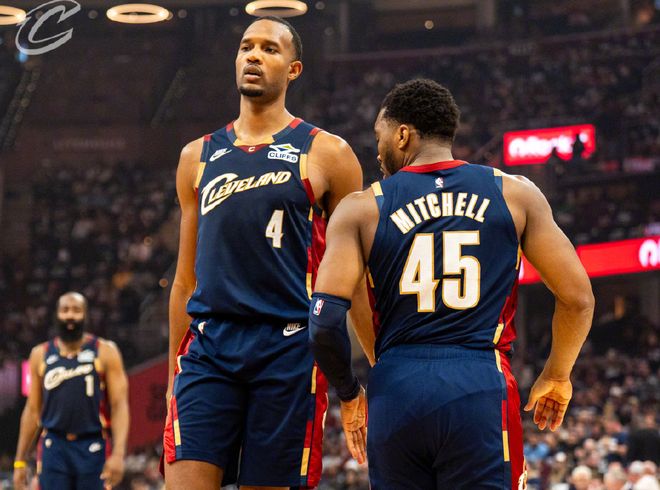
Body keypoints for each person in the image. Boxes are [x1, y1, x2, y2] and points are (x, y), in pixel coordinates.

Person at [308, 79, 595, 489]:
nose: (377, 150)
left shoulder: (360, 208)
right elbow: (578, 299)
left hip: (396, 388)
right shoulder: (515, 194)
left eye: (379, 136)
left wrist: (353, 390)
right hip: (479, 382)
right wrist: (556, 374)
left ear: (402, 135)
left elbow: (323, 324)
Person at [162, 15, 370, 490]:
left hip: (288, 349)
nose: (254, 55)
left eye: (269, 49)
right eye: (246, 46)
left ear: (294, 70)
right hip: (209, 347)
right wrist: (175, 372)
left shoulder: (328, 153)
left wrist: (364, 374)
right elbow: (184, 281)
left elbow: (355, 279)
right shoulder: (196, 156)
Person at [13, 292, 129, 490]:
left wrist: (119, 454)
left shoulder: (105, 351)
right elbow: (32, 411)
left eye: (76, 310)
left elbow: (119, 406)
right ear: (56, 315)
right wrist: (19, 461)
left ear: (85, 315)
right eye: (65, 310)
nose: (70, 316)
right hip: (54, 445)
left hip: (93, 444)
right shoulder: (40, 354)